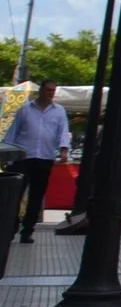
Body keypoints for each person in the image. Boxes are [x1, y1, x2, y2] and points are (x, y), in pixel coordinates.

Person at [2, 81, 73, 243]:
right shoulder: (25, 109)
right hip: (23, 157)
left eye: (53, 90)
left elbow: (63, 131)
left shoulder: (59, 111)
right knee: (16, 194)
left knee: (37, 196)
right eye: (48, 90)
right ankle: (11, 227)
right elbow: (13, 132)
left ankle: (28, 230)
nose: (50, 93)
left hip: (44, 158)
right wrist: (8, 155)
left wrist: (63, 149)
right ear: (40, 90)